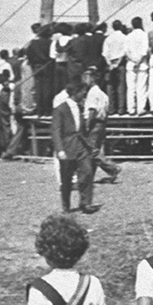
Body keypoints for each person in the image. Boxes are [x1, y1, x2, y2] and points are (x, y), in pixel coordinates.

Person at [51, 84, 97, 214]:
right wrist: (60, 150)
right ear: (75, 92)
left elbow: (82, 130)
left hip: (81, 145)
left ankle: (86, 203)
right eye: (82, 91)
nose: (84, 94)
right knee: (66, 178)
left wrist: (89, 145)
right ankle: (66, 205)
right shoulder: (60, 109)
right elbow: (56, 131)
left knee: (87, 172)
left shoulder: (79, 107)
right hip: (67, 146)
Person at [123, 17, 150, 114]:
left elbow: (126, 51)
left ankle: (131, 109)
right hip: (142, 64)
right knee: (141, 87)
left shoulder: (128, 36)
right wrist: (138, 62)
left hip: (130, 64)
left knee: (130, 88)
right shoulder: (144, 35)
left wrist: (133, 60)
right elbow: (145, 51)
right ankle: (141, 109)